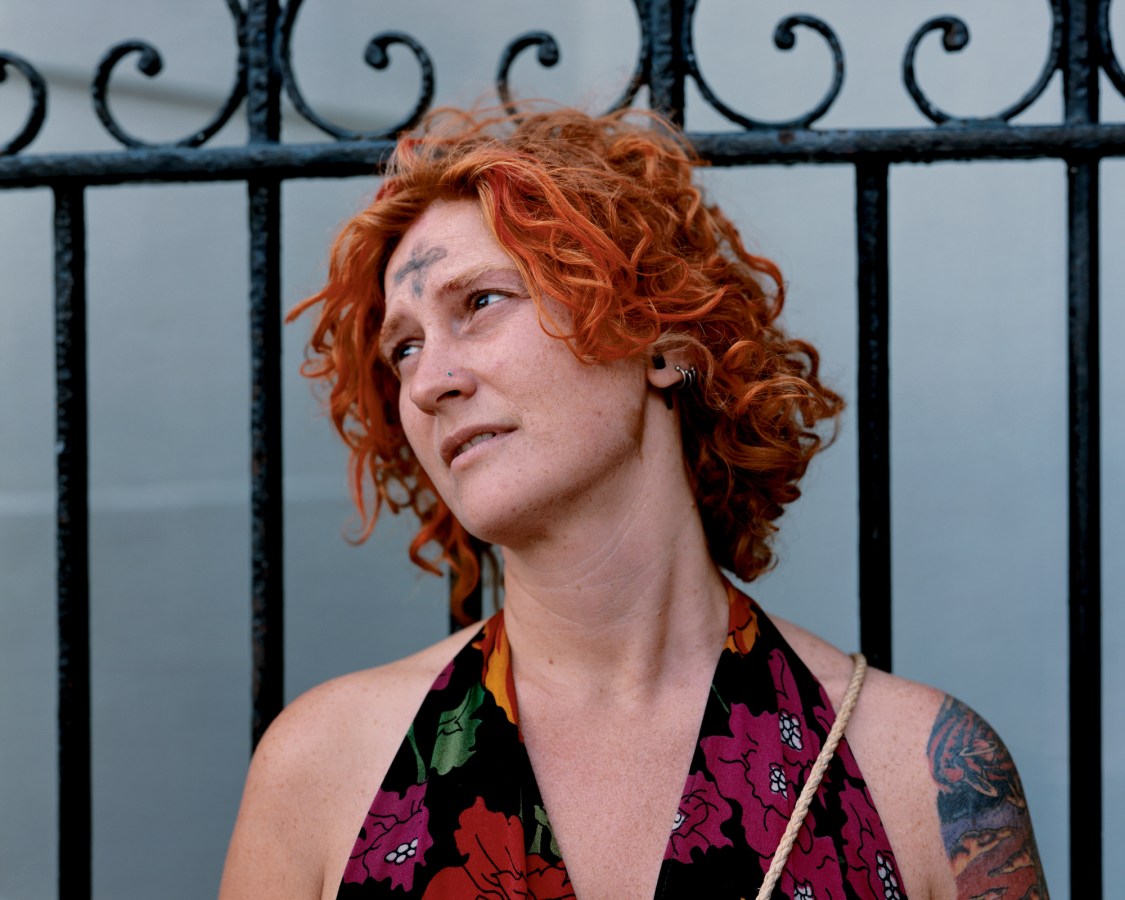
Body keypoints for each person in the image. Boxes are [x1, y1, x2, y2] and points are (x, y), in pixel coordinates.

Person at [219, 106, 1047, 899]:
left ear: (660, 339)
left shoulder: (922, 774)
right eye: (404, 347)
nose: (431, 381)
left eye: (478, 303)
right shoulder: (327, 769)